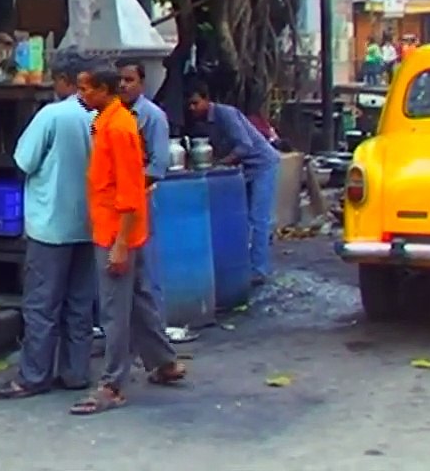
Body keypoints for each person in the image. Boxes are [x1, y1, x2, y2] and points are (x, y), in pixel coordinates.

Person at [70, 69, 185, 415]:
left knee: (114, 310)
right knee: (137, 300)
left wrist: (120, 244)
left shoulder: (119, 128)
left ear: (104, 90)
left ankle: (112, 383)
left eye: (85, 89)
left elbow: (131, 193)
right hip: (118, 229)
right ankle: (164, 362)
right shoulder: (108, 121)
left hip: (116, 232)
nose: (80, 95)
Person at [0, 57, 96, 400]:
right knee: (79, 303)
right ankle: (76, 373)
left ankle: (33, 376)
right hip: (90, 224)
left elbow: (24, 162)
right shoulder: (104, 115)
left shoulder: (52, 115)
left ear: (64, 80)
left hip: (51, 225)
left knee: (41, 305)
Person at [187, 81, 281, 285]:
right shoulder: (202, 123)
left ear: (206, 99)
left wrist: (220, 163)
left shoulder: (225, 114)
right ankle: (247, 265)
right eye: (190, 105)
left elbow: (245, 146)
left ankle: (259, 270)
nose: (192, 108)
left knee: (258, 220)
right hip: (244, 170)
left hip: (262, 164)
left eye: (195, 103)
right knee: (243, 219)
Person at [116, 61, 170, 184]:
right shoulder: (109, 113)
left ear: (141, 84)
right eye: (119, 80)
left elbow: (158, 165)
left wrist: (130, 187)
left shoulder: (153, 116)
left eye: (129, 80)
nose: (122, 85)